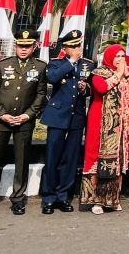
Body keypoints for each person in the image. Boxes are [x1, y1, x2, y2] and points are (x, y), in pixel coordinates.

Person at [0, 30, 47, 217]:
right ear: (15, 46)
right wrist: (2, 114)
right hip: (1, 121)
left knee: (21, 161)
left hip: (24, 121)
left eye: (27, 46)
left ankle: (18, 199)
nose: (23, 49)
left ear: (34, 47)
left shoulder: (40, 67)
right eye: (20, 46)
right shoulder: (3, 64)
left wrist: (28, 115)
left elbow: (41, 94)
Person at [39, 30, 94, 213]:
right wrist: (70, 62)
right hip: (57, 115)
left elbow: (92, 90)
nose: (77, 49)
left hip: (76, 116)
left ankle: (63, 196)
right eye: (73, 46)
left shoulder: (88, 65)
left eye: (79, 45)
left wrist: (84, 88)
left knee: (70, 158)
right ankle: (49, 197)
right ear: (65, 49)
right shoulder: (56, 64)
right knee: (53, 157)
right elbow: (53, 79)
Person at [81, 43, 129, 213]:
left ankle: (112, 199)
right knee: (98, 160)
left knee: (118, 161)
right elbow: (101, 88)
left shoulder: (127, 73)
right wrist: (118, 74)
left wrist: (126, 73)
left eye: (122, 56)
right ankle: (96, 201)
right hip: (101, 126)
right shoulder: (99, 73)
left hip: (121, 127)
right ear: (109, 58)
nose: (120, 60)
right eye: (117, 56)